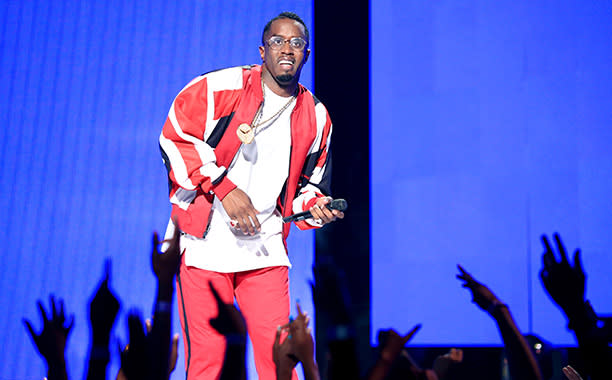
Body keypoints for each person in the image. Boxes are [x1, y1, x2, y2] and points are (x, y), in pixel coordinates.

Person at [158, 11, 343, 380]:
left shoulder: (317, 117)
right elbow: (175, 135)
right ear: (263, 50)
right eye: (277, 41)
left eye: (296, 43)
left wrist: (316, 207)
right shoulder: (220, 88)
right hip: (204, 244)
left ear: (307, 53)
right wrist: (224, 188)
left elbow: (305, 190)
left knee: (281, 365)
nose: (286, 49)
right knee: (208, 365)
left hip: (265, 248)